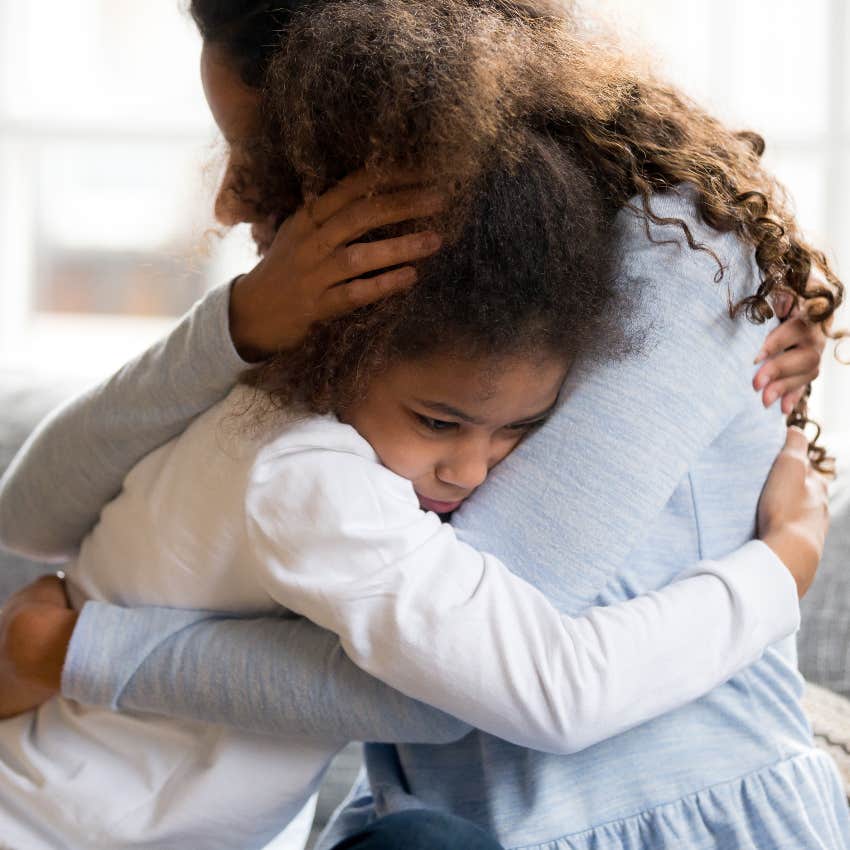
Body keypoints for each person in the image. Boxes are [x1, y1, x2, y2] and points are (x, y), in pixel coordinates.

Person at [0, 2, 843, 849]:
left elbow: (468, 681)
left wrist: (79, 650)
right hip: (431, 819)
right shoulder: (386, 315)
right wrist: (241, 322)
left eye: (254, 148)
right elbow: (30, 514)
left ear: (369, 94)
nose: (226, 201)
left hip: (655, 821)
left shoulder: (681, 253)